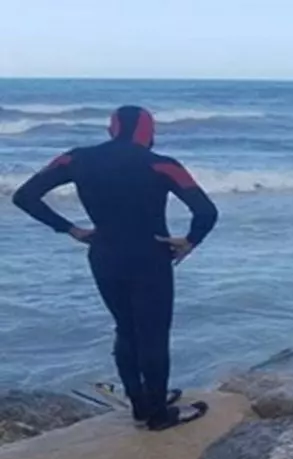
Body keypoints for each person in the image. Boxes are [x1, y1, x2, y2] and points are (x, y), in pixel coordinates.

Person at [11, 105, 217, 430]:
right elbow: (206, 212)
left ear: (112, 129)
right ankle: (159, 415)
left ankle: (140, 406)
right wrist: (189, 241)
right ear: (148, 132)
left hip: (104, 254)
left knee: (126, 328)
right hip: (150, 257)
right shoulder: (161, 164)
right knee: (152, 335)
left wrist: (71, 229)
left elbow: (25, 196)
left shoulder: (75, 159)